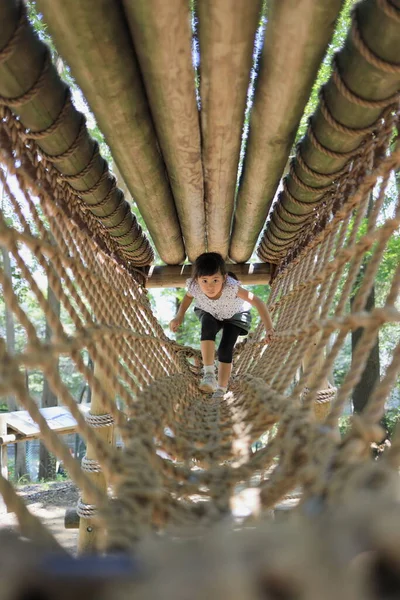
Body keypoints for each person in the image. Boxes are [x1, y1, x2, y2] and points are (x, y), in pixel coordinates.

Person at [169, 252, 274, 399]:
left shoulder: (231, 287)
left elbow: (257, 301)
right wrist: (179, 316)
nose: (209, 286)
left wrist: (269, 328)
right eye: (204, 281)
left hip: (235, 315)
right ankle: (209, 375)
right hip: (210, 311)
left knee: (225, 349)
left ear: (224, 278)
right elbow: (188, 297)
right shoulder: (195, 286)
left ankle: (221, 389)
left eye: (215, 280)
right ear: (197, 279)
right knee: (207, 325)